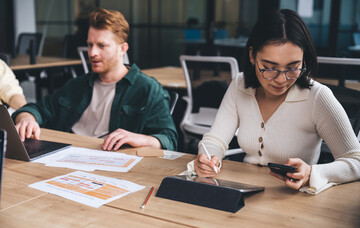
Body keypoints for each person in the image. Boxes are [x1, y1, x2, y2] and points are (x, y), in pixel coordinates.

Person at [193, 9, 360, 194]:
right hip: (244, 191)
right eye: (269, 68)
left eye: (293, 67)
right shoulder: (240, 85)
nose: (281, 79)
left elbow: (356, 161)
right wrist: (208, 157)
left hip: (292, 201)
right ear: (252, 56)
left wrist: (312, 172)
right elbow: (215, 139)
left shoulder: (318, 97)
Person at [12, 8, 177, 151]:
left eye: (101, 45)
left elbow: (169, 140)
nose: (92, 53)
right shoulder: (77, 85)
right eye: (90, 45)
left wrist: (142, 139)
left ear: (122, 49)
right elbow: (35, 109)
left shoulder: (148, 89)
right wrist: (27, 118)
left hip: (108, 164)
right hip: (66, 155)